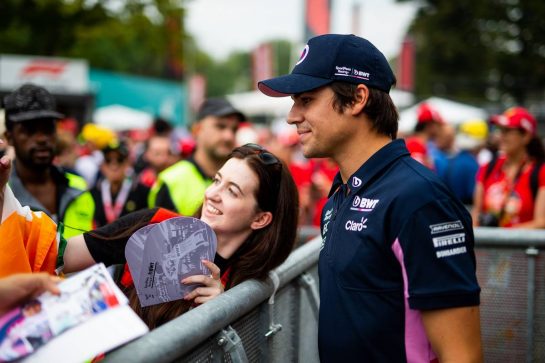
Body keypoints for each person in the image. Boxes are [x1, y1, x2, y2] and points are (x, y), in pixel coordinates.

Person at [258, 34, 482, 362]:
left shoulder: (419, 199)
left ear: (356, 98)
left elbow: (463, 356)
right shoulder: (341, 193)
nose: (292, 116)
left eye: (305, 100)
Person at [0, 144, 299, 329]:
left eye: (232, 191)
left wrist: (223, 312)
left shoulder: (253, 285)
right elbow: (58, 252)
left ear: (261, 219)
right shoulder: (156, 224)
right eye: (216, 181)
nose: (212, 195)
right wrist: (2, 193)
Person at [2, 83, 94, 238]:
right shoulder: (3, 193)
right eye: (29, 129)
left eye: (48, 128)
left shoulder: (79, 187)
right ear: (9, 137)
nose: (42, 138)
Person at [149, 98, 245, 216]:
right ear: (197, 129)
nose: (229, 136)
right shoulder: (172, 181)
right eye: (221, 126)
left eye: (234, 129)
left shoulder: (241, 179)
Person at [472, 107, 545, 228]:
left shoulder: (540, 171)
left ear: (526, 136)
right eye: (500, 130)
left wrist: (503, 236)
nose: (501, 136)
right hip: (486, 246)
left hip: (522, 246)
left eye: (508, 131)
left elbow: (541, 222)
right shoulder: (488, 167)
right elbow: (476, 213)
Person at [90, 140, 150, 228]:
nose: (114, 166)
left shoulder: (142, 193)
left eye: (120, 160)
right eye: (108, 160)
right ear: (102, 166)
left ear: (128, 163)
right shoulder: (92, 194)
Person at [405, 103, 444, 170]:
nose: (440, 128)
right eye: (438, 124)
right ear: (429, 125)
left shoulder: (427, 144)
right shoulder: (415, 145)